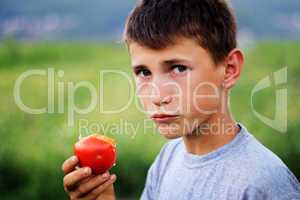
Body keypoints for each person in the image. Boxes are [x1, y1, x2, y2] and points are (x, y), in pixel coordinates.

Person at [61, 0, 300, 199]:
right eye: (144, 72)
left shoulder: (263, 183)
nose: (158, 96)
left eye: (178, 68)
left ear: (229, 69)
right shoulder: (166, 161)